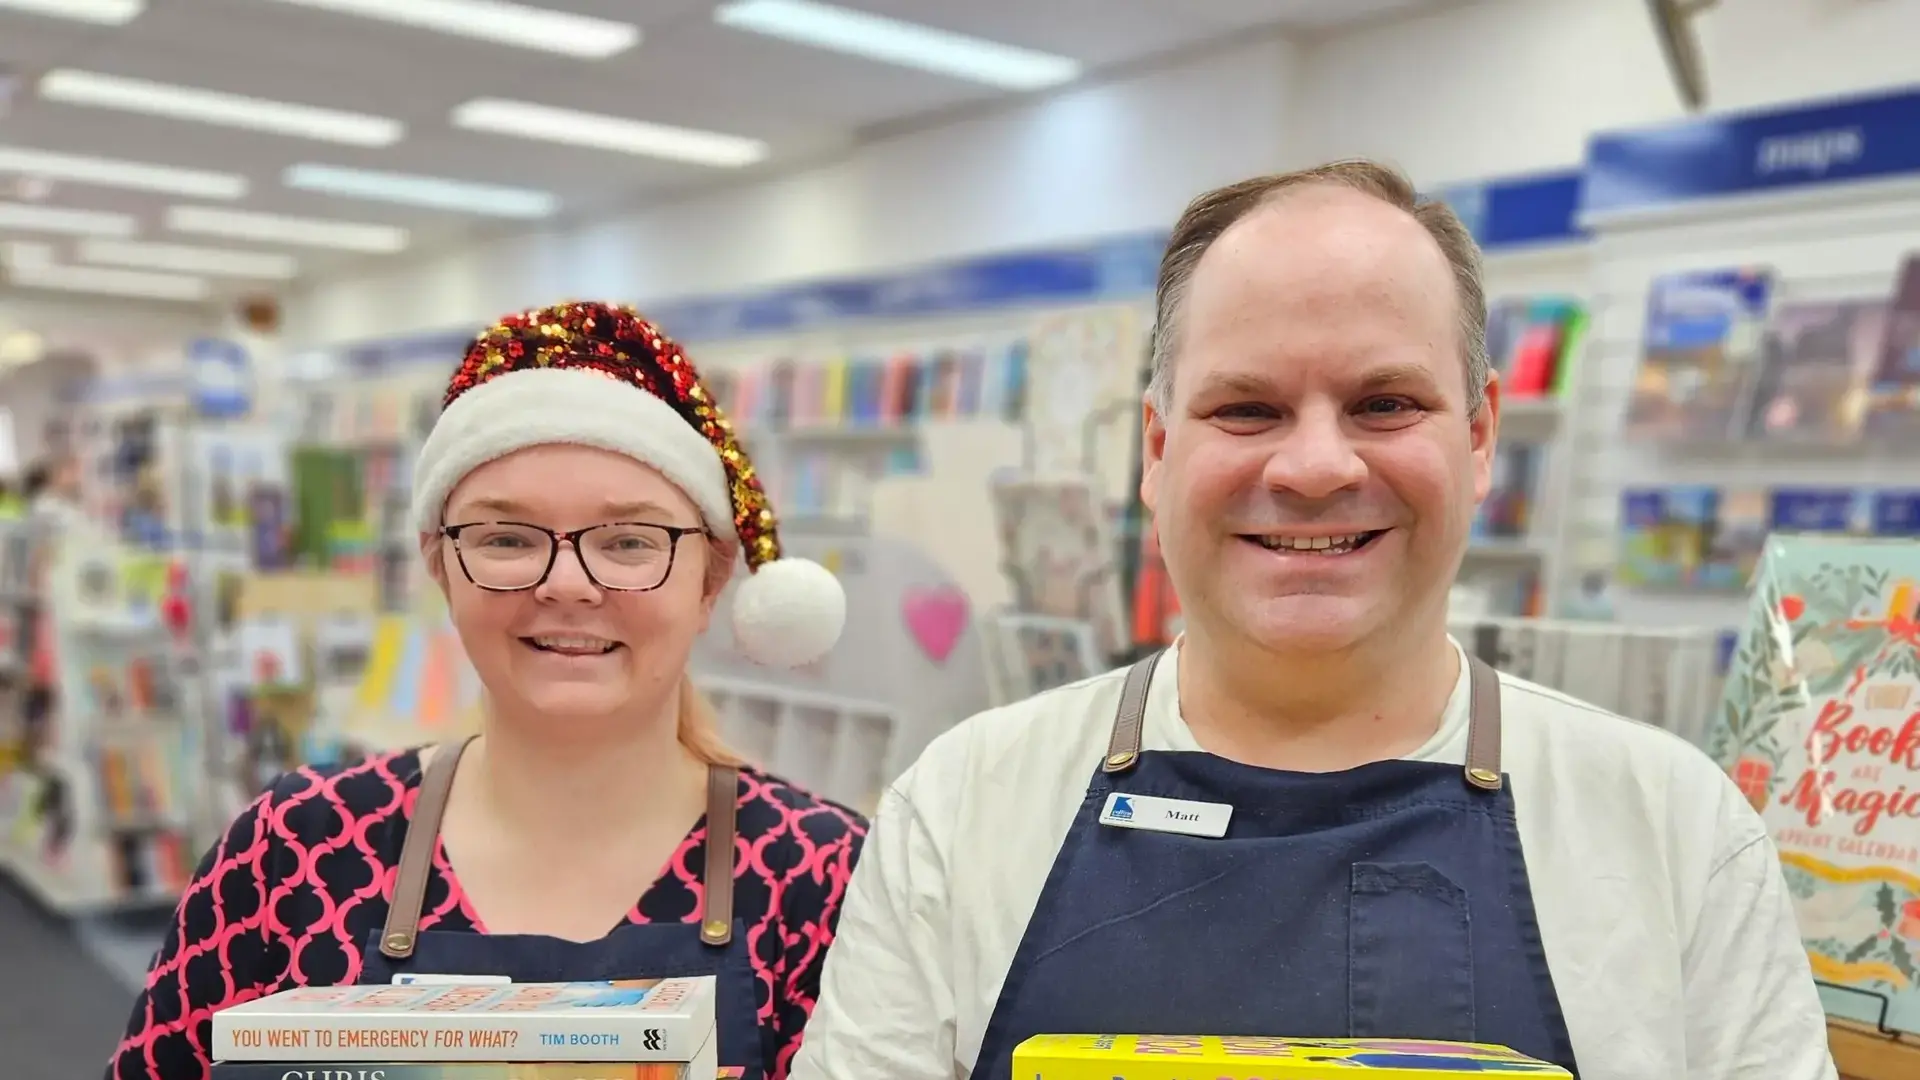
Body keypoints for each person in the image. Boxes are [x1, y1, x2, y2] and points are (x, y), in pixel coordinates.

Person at [788, 161, 1837, 1080]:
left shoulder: (1672, 835)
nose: (1316, 466)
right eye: (1247, 408)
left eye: (1385, 404)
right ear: (1156, 450)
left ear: (1478, 441)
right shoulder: (960, 812)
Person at [109, 301, 866, 1080]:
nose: (567, 584)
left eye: (630, 541)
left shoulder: (827, 876)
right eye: (507, 539)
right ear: (439, 565)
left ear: (710, 584)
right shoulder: (296, 847)